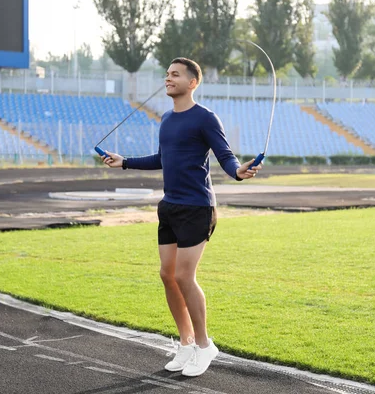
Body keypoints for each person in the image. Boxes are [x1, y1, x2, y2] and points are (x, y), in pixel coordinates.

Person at [101, 57, 261, 377]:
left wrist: (238, 173)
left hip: (197, 207)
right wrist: (126, 162)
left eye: (175, 74)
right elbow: (162, 158)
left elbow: (226, 157)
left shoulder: (206, 118)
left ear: (192, 82)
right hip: (169, 206)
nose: (168, 78)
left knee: (185, 277)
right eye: (167, 74)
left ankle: (204, 346)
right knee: (167, 275)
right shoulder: (166, 119)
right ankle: (186, 343)